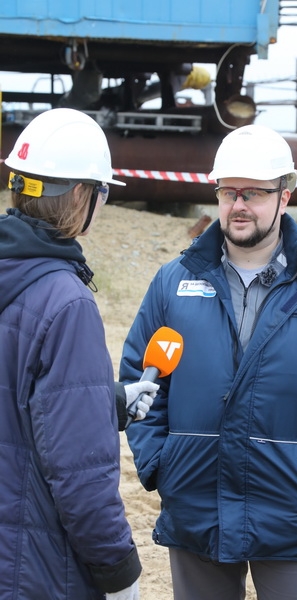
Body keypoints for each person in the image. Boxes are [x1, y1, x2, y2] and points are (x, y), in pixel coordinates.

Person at [118, 124, 297, 600]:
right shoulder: (173, 282)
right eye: (228, 191)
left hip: (289, 509)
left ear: (285, 196)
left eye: (254, 193)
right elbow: (142, 377)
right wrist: (161, 462)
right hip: (195, 504)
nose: (238, 205)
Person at [0, 108, 159, 600]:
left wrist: (105, 401)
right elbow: (80, 475)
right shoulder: (66, 303)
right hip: (35, 570)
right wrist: (119, 572)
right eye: (102, 192)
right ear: (78, 195)